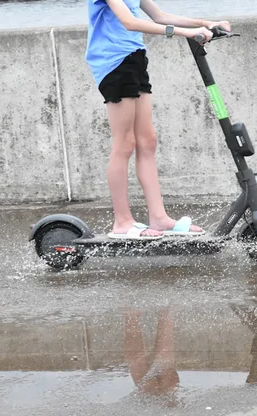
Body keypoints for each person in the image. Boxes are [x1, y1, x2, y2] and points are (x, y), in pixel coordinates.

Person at [86, 0, 231, 240]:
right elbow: (129, 22)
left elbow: (160, 16)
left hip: (134, 58)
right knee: (124, 143)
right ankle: (122, 222)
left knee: (147, 141)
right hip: (113, 62)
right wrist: (188, 33)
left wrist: (207, 24)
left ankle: (159, 218)